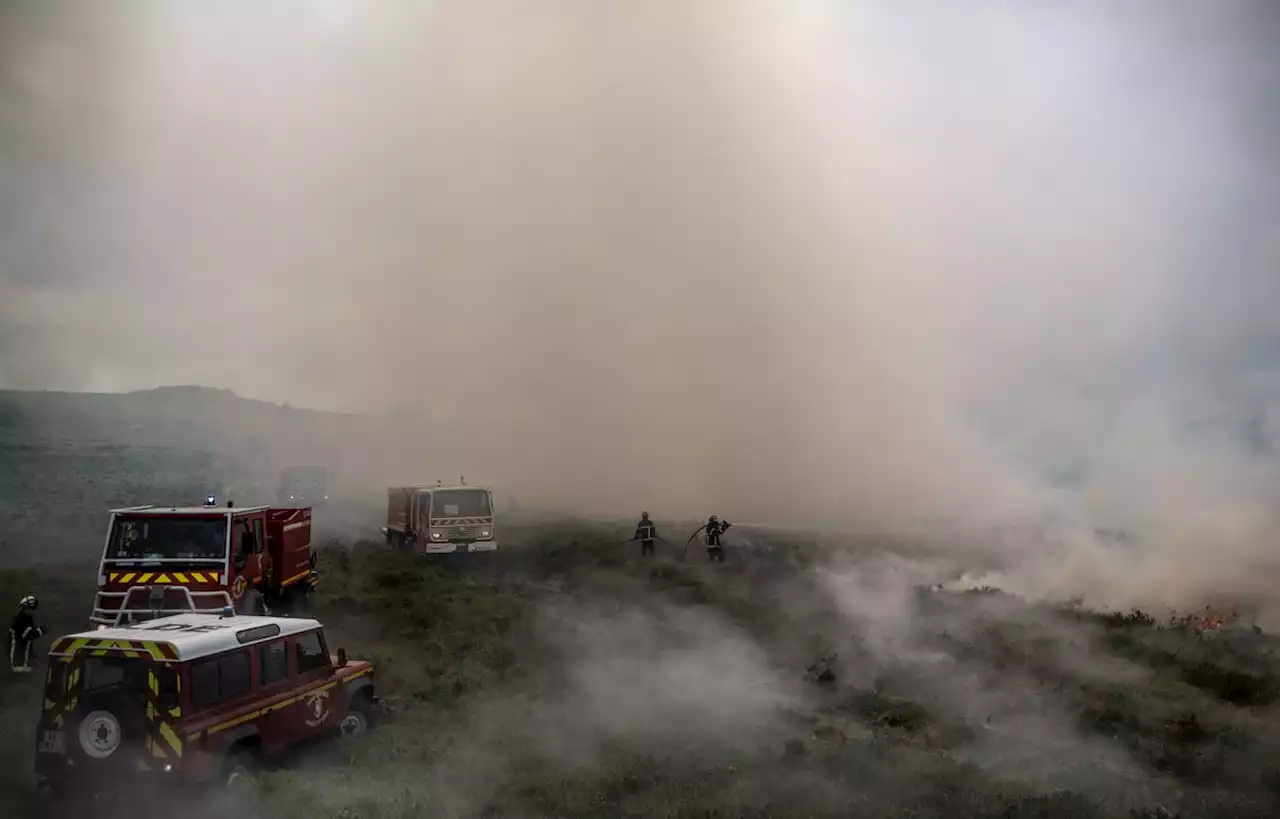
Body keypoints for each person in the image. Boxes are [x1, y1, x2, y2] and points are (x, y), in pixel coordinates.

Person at [9, 595, 45, 673]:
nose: (33, 610)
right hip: (18, 655)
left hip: (22, 651)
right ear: (25, 608)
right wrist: (40, 631)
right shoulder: (21, 618)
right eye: (31, 608)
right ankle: (18, 666)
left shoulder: (27, 618)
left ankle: (22, 664)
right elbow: (28, 634)